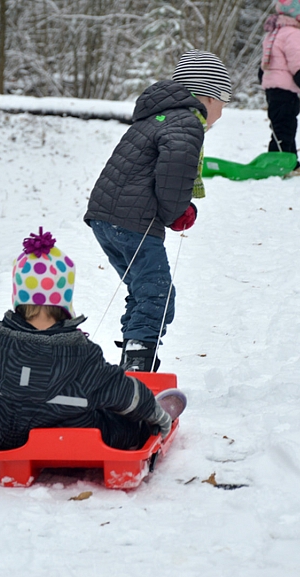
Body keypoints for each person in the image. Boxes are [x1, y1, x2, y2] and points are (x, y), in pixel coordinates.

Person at [0, 228, 186, 451]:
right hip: (76, 438)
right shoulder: (79, 353)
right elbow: (121, 389)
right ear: (64, 299)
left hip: (11, 437)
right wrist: (153, 413)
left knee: (85, 398)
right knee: (116, 416)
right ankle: (151, 416)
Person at [84, 49, 232, 372]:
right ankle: (137, 368)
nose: (222, 112)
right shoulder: (188, 123)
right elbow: (174, 172)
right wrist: (176, 211)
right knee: (159, 295)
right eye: (224, 102)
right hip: (132, 220)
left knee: (145, 289)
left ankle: (130, 360)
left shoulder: (159, 115)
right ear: (208, 97)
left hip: (106, 217)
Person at [258, 0, 300, 172]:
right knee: (284, 127)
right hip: (285, 89)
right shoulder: (293, 34)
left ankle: (292, 163)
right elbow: (298, 65)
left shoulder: (274, 32)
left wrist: (265, 78)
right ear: (297, 13)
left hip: (272, 87)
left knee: (282, 124)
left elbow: (265, 63)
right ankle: (278, 163)